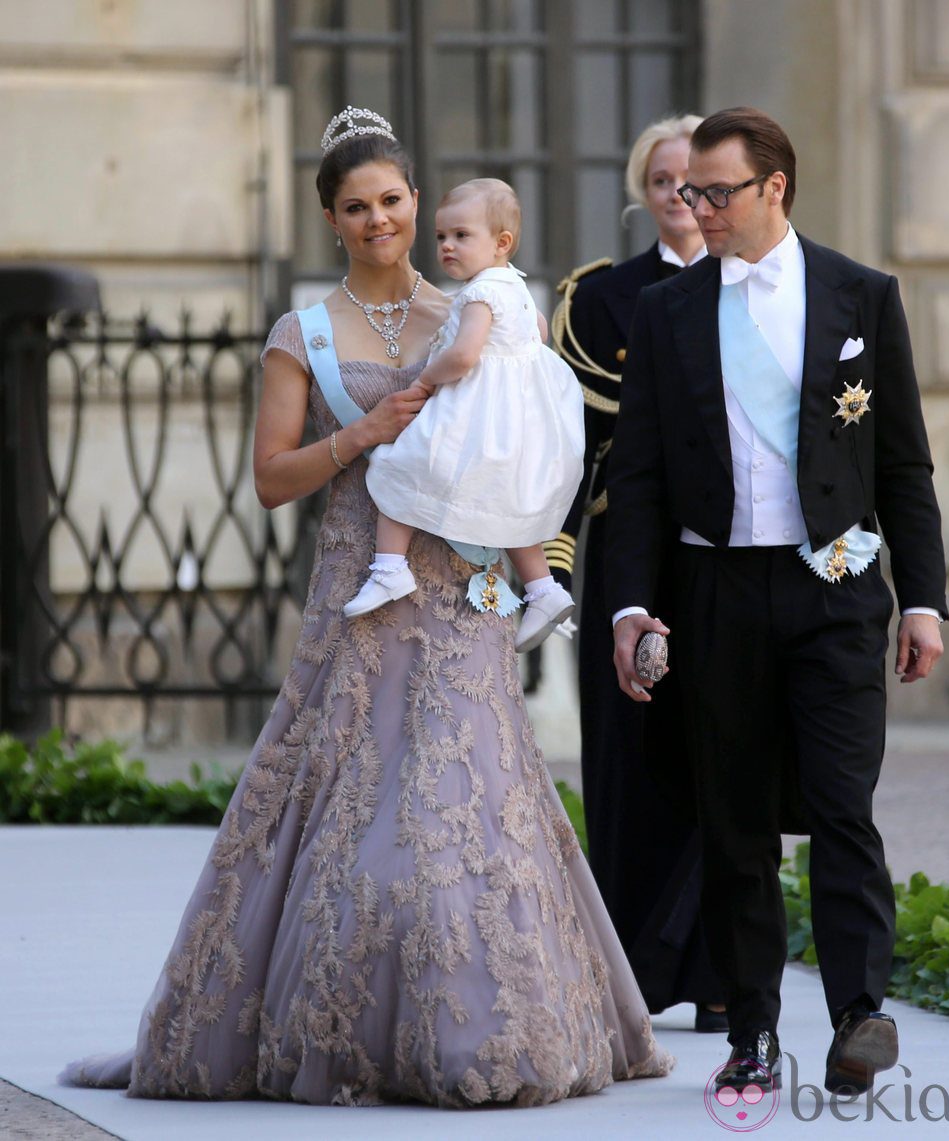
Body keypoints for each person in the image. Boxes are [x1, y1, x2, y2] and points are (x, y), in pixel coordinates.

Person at [60, 106, 672, 1107]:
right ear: (331, 219)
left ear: (419, 204)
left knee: (468, 801)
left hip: (463, 595)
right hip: (361, 589)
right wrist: (360, 436)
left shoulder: (473, 309)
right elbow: (269, 479)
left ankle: (492, 1021)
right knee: (348, 806)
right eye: (357, 206)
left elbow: (528, 437)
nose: (378, 218)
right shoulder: (300, 334)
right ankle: (352, 1028)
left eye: (392, 199)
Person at [604, 106, 946, 1097]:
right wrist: (632, 607)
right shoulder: (666, 313)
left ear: (772, 189)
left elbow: (901, 467)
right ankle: (749, 1029)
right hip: (713, 590)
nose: (692, 207)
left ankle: (858, 1016)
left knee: (843, 807)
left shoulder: (858, 295)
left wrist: (919, 599)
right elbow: (637, 480)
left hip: (834, 587)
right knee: (735, 821)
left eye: (713, 192)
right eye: (684, 191)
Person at [549, 114, 727, 1032]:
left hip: (730, 557)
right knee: (626, 760)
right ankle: (628, 976)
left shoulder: (759, 288)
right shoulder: (598, 299)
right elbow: (567, 456)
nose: (677, 192)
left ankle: (716, 969)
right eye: (661, 178)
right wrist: (538, 571)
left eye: (693, 177)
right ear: (642, 190)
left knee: (721, 760)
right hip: (627, 558)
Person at [344, 177, 582, 655]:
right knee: (505, 509)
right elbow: (537, 338)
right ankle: (544, 590)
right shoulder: (516, 286)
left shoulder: (479, 294)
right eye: (441, 237)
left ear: (501, 242)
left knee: (397, 465)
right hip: (514, 433)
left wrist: (427, 379)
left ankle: (389, 567)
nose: (447, 246)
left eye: (461, 236)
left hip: (472, 422)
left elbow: (465, 356)